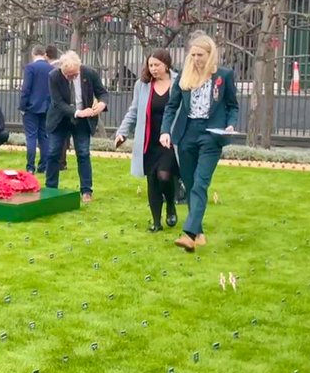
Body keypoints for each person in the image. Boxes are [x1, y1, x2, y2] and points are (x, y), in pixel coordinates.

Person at [160, 34, 239, 251]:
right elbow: (171, 106)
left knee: (200, 182)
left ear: (210, 53)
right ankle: (199, 232)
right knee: (190, 183)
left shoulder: (224, 75)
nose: (196, 59)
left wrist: (230, 124)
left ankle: (188, 234)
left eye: (200, 55)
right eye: (193, 54)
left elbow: (233, 106)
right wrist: (165, 131)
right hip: (186, 135)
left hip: (211, 136)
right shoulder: (183, 77)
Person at [116, 50, 179, 232]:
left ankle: (171, 206)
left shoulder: (178, 83)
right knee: (152, 180)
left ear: (166, 64)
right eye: (150, 65)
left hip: (169, 140)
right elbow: (133, 111)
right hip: (149, 140)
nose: (153, 69)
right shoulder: (142, 85)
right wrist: (122, 132)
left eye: (156, 65)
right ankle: (156, 222)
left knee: (164, 176)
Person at [44, 51, 108, 203]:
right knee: (53, 153)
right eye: (68, 75)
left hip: (83, 122)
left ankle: (86, 190)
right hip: (60, 119)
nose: (71, 77)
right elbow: (58, 103)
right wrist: (78, 112)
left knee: (83, 153)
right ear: (62, 70)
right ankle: (51, 189)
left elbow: (103, 93)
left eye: (74, 74)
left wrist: (101, 104)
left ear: (79, 67)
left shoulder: (90, 73)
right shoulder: (54, 76)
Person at [19, 44, 53, 173]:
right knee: (44, 137)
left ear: (33, 54)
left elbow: (26, 89)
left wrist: (22, 106)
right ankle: (43, 166)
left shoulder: (30, 68)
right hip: (46, 107)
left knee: (31, 137)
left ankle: (30, 167)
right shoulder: (51, 68)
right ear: (44, 54)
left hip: (31, 108)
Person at [45, 44, 68, 170]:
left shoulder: (52, 70)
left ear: (46, 55)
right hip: (64, 107)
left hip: (54, 106)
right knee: (63, 137)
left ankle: (56, 162)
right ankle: (62, 161)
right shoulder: (58, 67)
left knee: (54, 136)